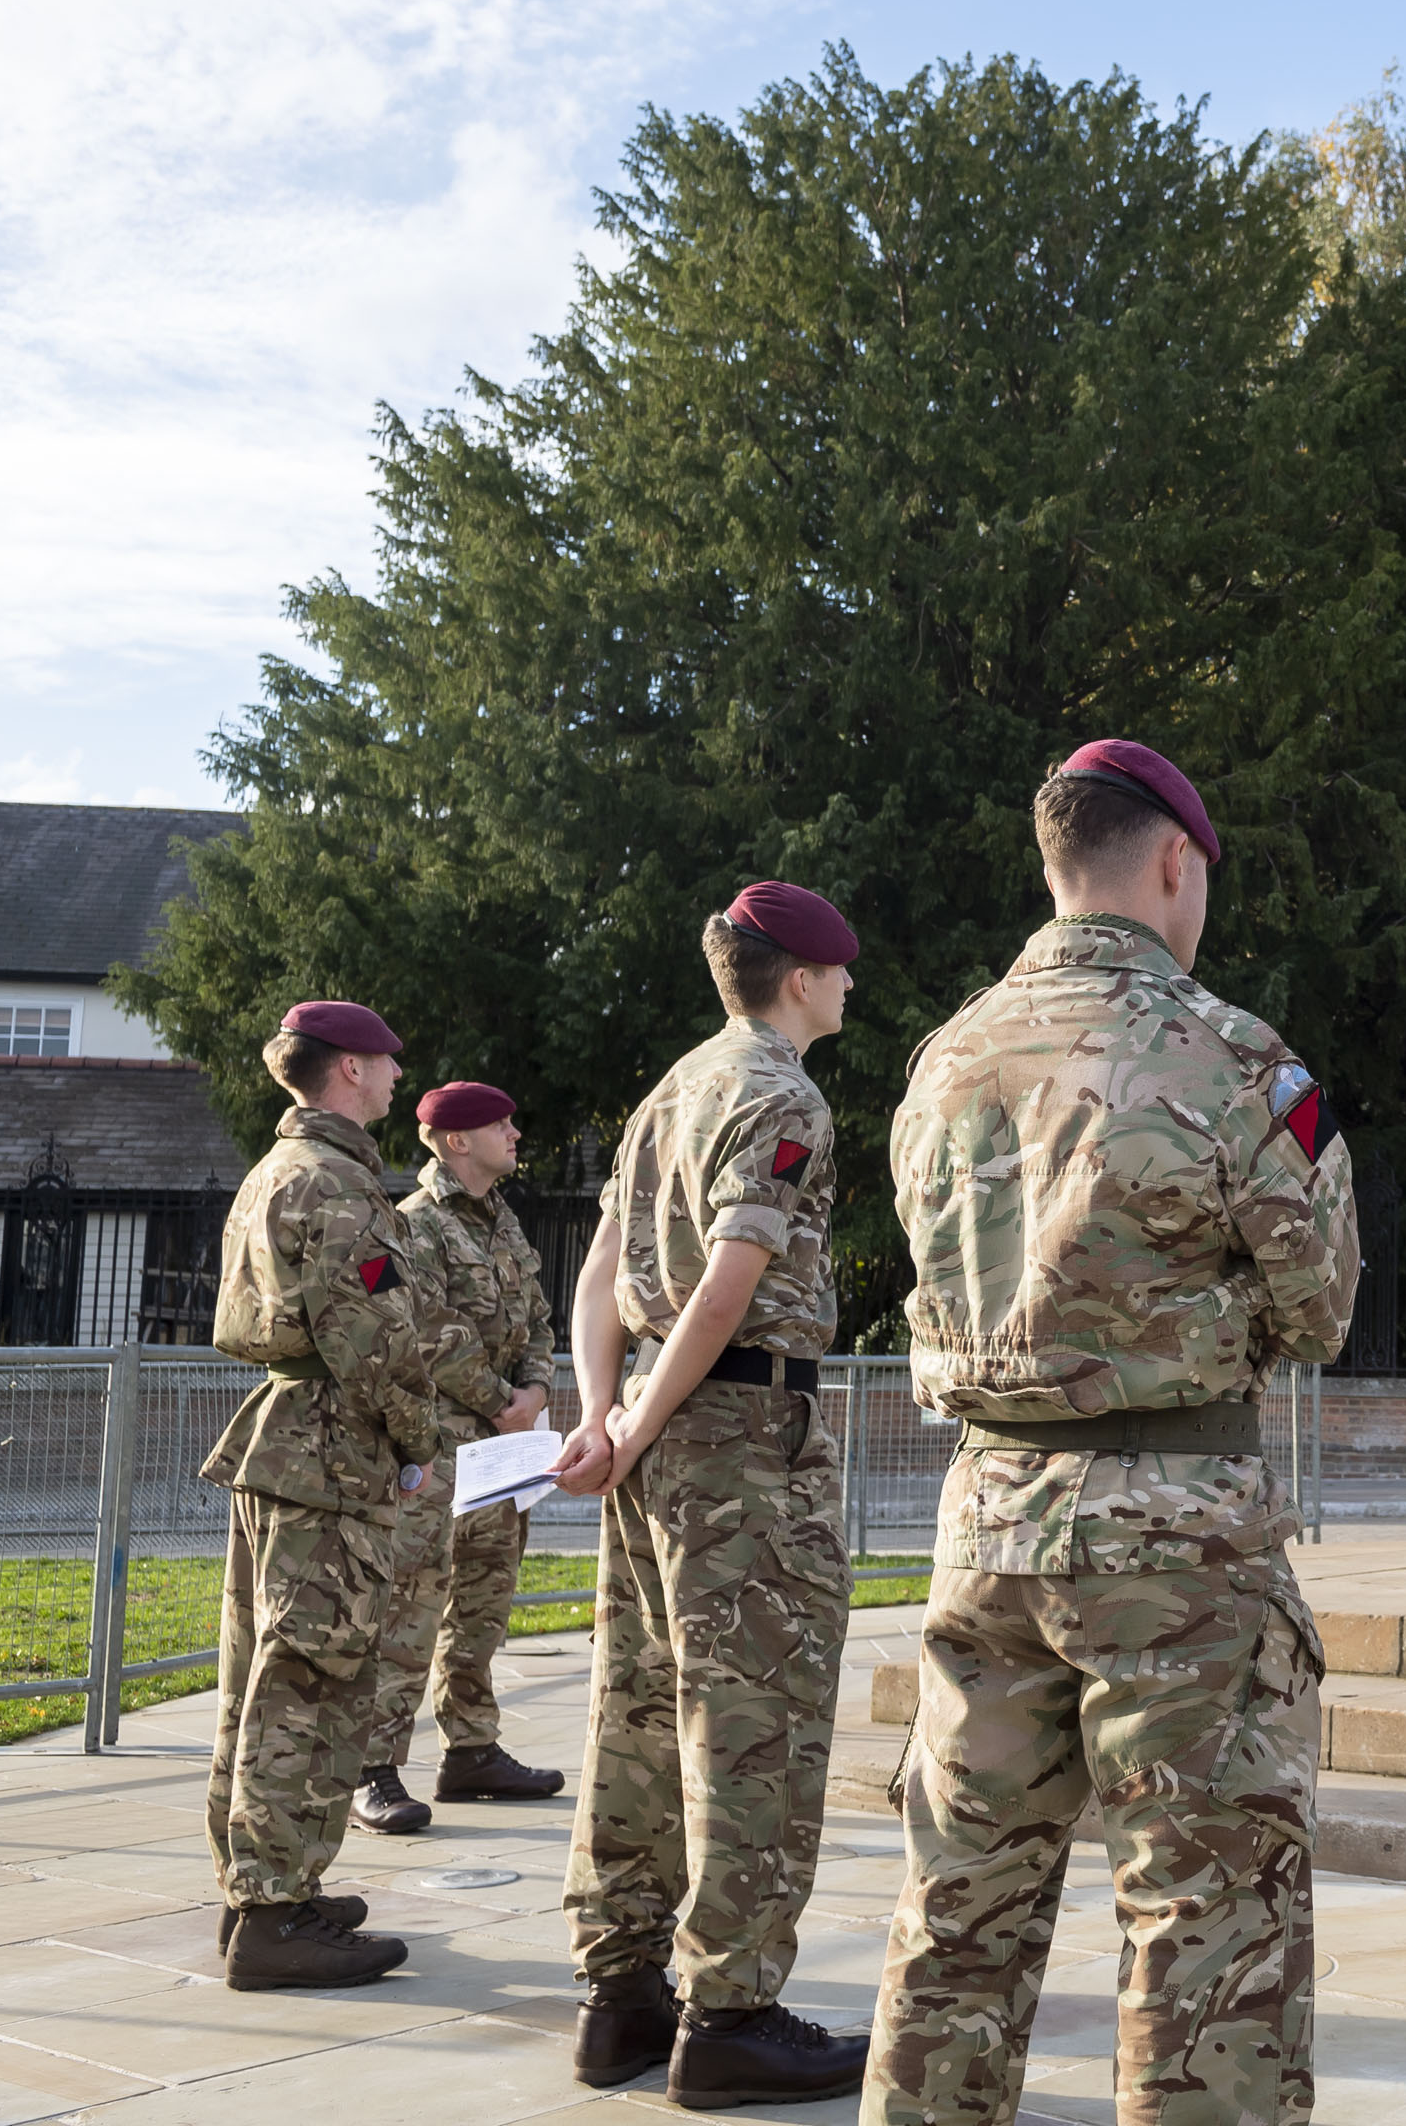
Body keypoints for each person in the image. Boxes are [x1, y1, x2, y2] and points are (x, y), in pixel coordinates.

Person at [866, 739, 1360, 2126]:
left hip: (987, 1524)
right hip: (1176, 1541)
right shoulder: (1233, 1057)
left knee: (958, 1914)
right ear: (1175, 863)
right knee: (1209, 1933)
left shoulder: (944, 1058)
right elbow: (1322, 1304)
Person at [550, 882, 866, 2108]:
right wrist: (636, 1418)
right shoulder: (782, 1095)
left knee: (636, 1711)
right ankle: (732, 2013)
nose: (850, 988)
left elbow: (598, 1275)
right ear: (802, 980)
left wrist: (605, 1415)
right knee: (754, 1722)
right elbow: (730, 1285)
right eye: (840, 972)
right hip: (740, 1440)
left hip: (652, 1428)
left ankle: (620, 1995)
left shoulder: (671, 1091)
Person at [199, 999, 444, 1991]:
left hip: (286, 1442)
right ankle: (274, 1913)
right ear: (348, 1068)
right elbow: (373, 1338)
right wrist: (419, 1441)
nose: (396, 1077)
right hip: (333, 1453)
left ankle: (260, 1890)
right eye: (386, 1062)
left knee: (260, 1681)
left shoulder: (277, 1168)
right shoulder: (337, 1182)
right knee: (310, 1684)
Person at [352, 1080, 567, 1837]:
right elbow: (426, 1328)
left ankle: (471, 1750)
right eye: (501, 1125)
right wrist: (502, 1397)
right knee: (412, 1604)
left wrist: (534, 1390)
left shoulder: (503, 1221)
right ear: (457, 1141)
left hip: (504, 1448)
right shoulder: (416, 1223)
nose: (515, 1135)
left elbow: (538, 1318)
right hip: (440, 1445)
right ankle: (373, 1768)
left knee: (483, 1600)